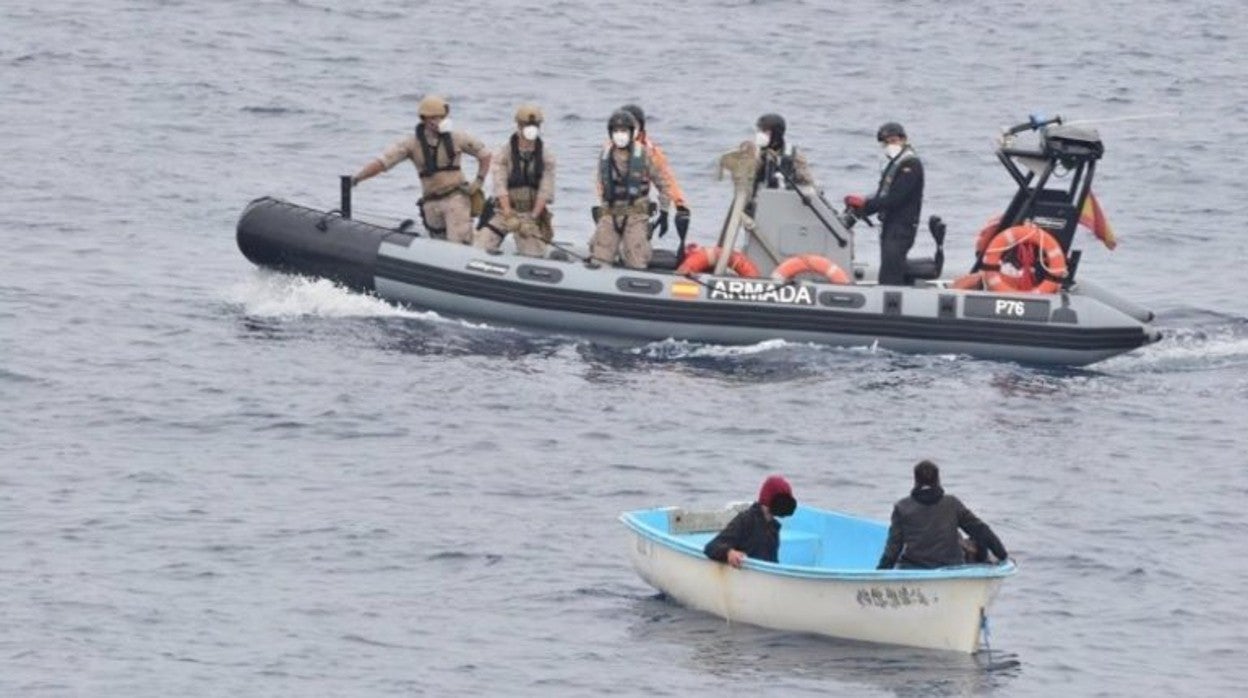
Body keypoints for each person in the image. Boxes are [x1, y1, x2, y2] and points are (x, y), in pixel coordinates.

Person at [351, 94, 492, 244]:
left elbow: (485, 155)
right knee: (437, 243)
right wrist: (358, 177)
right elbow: (383, 162)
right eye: (433, 118)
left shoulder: (458, 137)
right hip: (431, 201)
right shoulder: (411, 143)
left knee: (458, 242)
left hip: (456, 198)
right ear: (424, 119)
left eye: (441, 117)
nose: (438, 122)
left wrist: (479, 181)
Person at [877, 460, 1009, 570]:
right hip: (951, 566)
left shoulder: (902, 507)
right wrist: (1002, 555)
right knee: (976, 545)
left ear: (916, 480)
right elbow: (980, 530)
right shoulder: (952, 503)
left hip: (914, 567)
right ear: (938, 480)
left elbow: (893, 549)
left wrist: (880, 573)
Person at [590, 110, 676, 269]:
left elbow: (663, 184)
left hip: (635, 215)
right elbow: (601, 185)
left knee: (636, 260)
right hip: (611, 213)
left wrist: (664, 210)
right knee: (600, 258)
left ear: (631, 133)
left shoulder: (644, 156)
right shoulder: (605, 156)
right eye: (616, 131)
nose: (619, 135)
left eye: (623, 131)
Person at [843, 121, 925, 285]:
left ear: (903, 139)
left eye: (893, 141)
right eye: (886, 143)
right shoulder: (895, 164)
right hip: (890, 225)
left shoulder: (910, 165)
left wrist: (867, 206)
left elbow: (895, 198)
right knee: (888, 268)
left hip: (901, 227)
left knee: (891, 273)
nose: (890, 145)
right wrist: (863, 206)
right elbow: (882, 193)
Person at [473, 103, 556, 257]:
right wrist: (508, 214)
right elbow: (500, 185)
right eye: (526, 125)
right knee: (480, 247)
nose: (531, 129)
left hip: (529, 215)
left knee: (533, 256)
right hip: (504, 212)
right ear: (518, 125)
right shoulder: (504, 153)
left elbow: (545, 190)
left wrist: (532, 218)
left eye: (535, 125)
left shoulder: (546, 157)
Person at [618, 104, 690, 240]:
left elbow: (667, 179)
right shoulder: (611, 149)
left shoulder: (651, 152)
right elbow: (601, 182)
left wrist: (679, 206)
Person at [704, 475, 798, 568]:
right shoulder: (745, 520)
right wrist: (729, 552)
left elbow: (772, 562)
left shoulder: (773, 527)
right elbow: (711, 547)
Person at [752, 112, 815, 189]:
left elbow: (807, 181)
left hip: (783, 195)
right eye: (760, 130)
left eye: (765, 131)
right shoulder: (752, 152)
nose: (760, 134)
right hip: (757, 194)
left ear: (776, 134)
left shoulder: (794, 155)